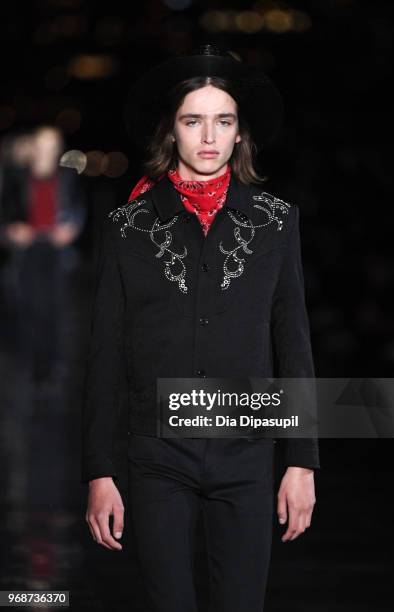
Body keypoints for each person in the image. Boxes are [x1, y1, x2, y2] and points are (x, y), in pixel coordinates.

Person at [82, 44, 320, 612]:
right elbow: (106, 352)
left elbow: (293, 341)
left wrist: (302, 460)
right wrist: (99, 471)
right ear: (172, 131)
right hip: (156, 456)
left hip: (247, 452)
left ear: (240, 133)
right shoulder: (128, 227)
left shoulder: (276, 222)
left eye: (224, 120)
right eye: (194, 120)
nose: (209, 136)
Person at [0, 125, 86, 386]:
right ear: (34, 147)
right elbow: (6, 214)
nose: (46, 151)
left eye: (52, 146)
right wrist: (11, 230)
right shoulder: (18, 175)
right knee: (28, 306)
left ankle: (51, 363)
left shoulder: (68, 176)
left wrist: (71, 229)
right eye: (42, 145)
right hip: (27, 251)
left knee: (56, 306)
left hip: (57, 250)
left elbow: (78, 209)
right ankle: (32, 361)